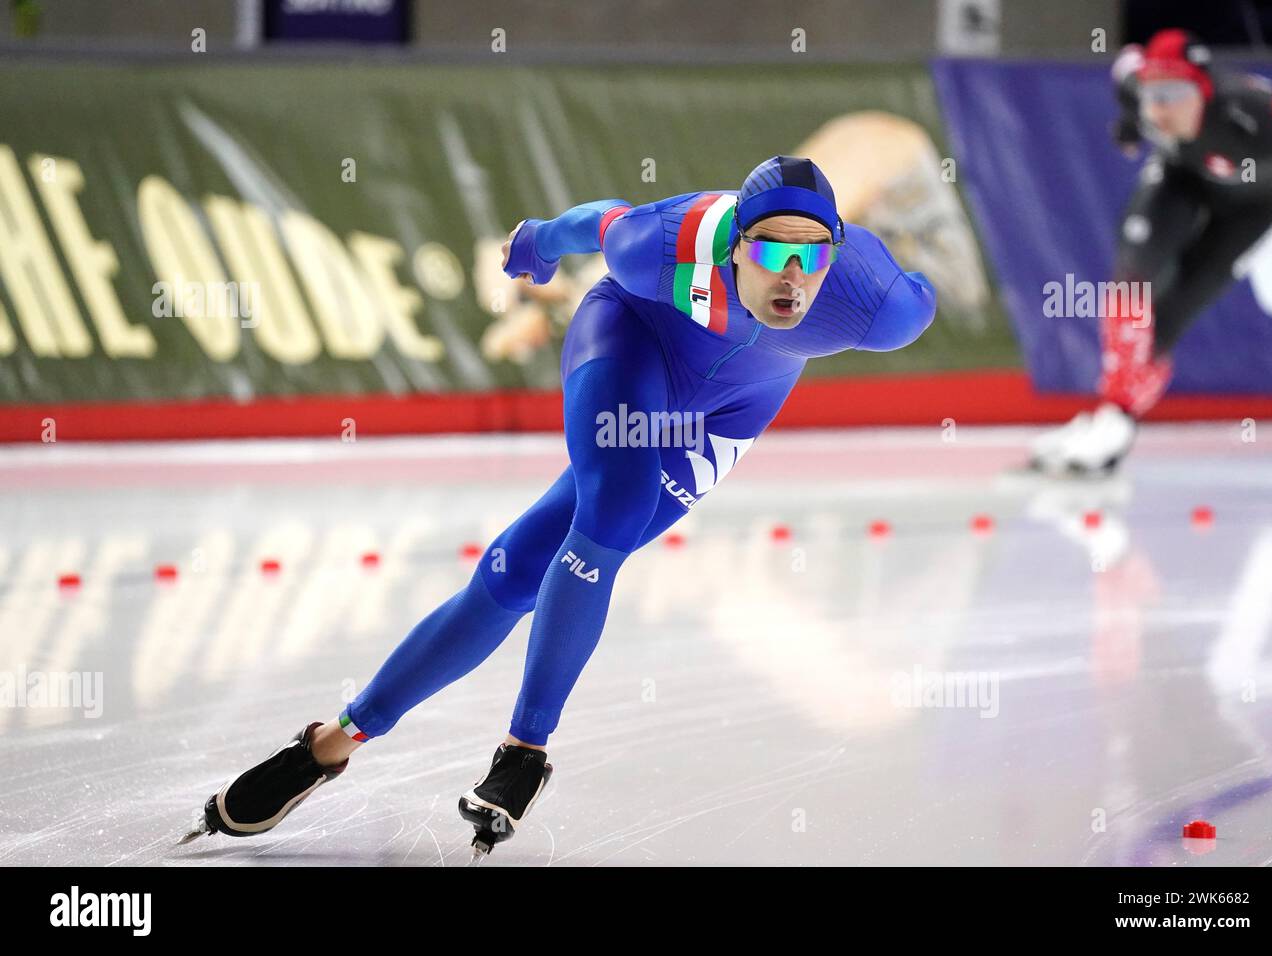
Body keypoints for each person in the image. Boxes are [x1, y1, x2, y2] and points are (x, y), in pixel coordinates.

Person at [181, 155, 936, 858]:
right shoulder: (664, 247)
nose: (794, 277)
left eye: (814, 255)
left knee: (519, 570)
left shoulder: (877, 307)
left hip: (730, 409)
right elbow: (600, 221)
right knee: (604, 515)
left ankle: (345, 746)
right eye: (774, 251)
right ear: (735, 246)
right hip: (630, 341)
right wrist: (538, 241)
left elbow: (916, 290)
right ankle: (497, 748)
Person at [1031, 28, 1272, 475]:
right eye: (1152, 94)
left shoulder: (1255, 114)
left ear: (1204, 89)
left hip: (1254, 203)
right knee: (1136, 269)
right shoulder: (1139, 88)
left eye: (1174, 93)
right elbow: (1125, 70)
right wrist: (1129, 122)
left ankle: (1116, 420)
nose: (1159, 107)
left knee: (1179, 305)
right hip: (1184, 178)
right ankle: (1113, 414)